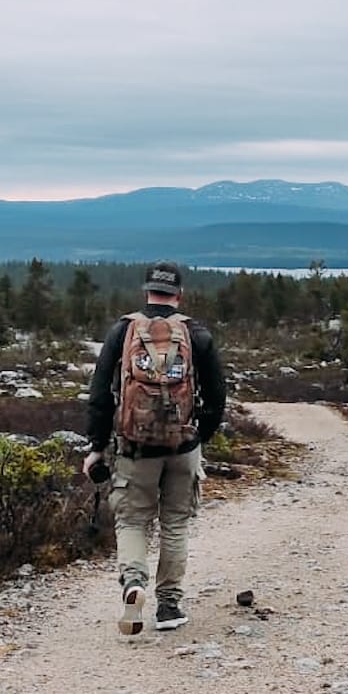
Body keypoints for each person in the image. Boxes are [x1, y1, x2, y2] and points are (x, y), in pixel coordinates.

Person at [84, 263, 226, 635]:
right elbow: (217, 397)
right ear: (178, 295)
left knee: (132, 520)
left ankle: (133, 584)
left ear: (146, 292)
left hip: (134, 448)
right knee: (175, 523)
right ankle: (168, 606)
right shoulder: (196, 333)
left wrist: (97, 447)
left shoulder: (123, 330)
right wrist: (197, 438)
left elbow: (99, 395)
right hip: (183, 447)